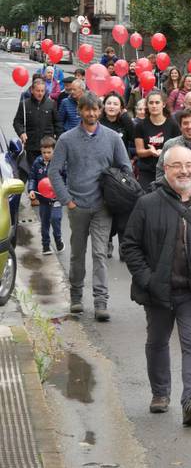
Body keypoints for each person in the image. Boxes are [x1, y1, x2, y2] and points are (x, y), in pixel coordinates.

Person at [121, 145, 191, 425]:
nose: (184, 170)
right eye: (177, 165)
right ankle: (160, 393)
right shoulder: (148, 203)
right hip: (159, 291)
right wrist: (148, 279)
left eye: (189, 165)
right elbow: (131, 245)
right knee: (157, 342)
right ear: (165, 169)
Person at [49, 92, 132, 321]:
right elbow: (53, 171)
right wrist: (68, 200)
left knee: (99, 254)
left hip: (103, 207)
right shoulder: (66, 139)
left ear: (100, 111)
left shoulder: (113, 138)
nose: (92, 113)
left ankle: (100, 301)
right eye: (87, 109)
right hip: (77, 206)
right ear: (80, 111)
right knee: (77, 255)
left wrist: (114, 194)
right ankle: (76, 297)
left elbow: (126, 169)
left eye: (95, 109)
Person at [100, 92, 135, 258]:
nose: (112, 106)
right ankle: (107, 241)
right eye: (109, 103)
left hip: (121, 174)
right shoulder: (99, 123)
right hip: (103, 174)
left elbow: (135, 140)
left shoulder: (125, 122)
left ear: (121, 107)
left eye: (115, 104)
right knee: (106, 210)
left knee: (123, 210)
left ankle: (123, 245)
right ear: (104, 106)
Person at [134, 90, 180, 192]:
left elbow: (178, 149)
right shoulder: (140, 126)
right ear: (147, 105)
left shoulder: (173, 125)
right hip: (147, 170)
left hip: (168, 170)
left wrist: (164, 153)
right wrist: (150, 152)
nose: (154, 106)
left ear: (163, 104)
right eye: (151, 103)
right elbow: (139, 151)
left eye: (157, 102)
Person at [28, 136, 64, 255]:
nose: (46, 155)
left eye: (49, 152)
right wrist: (31, 190)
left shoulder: (60, 163)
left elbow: (66, 178)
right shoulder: (37, 163)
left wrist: (65, 191)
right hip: (43, 199)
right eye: (44, 152)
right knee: (44, 222)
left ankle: (58, 239)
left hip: (56, 198)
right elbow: (32, 178)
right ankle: (46, 245)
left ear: (55, 151)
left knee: (55, 219)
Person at [13, 78, 58, 168]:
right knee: (33, 172)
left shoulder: (51, 103)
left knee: (47, 173)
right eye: (38, 90)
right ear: (32, 90)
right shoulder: (24, 104)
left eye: (42, 91)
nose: (40, 93)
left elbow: (57, 123)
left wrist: (58, 138)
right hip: (31, 146)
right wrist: (21, 133)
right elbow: (17, 122)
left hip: (47, 146)